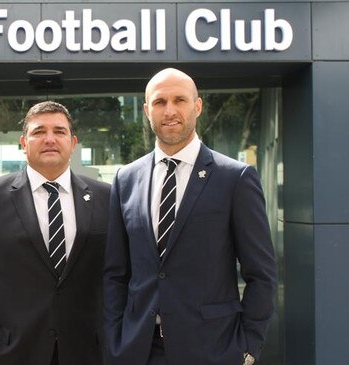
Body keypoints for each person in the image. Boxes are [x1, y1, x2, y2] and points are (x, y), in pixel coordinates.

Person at [103, 68, 277, 365]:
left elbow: (261, 274)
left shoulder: (235, 178)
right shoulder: (126, 179)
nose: (169, 111)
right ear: (147, 110)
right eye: (159, 102)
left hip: (213, 349)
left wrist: (248, 347)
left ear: (197, 106)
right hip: (137, 350)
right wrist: (115, 340)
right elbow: (115, 274)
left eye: (179, 100)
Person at [0, 101, 110, 365]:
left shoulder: (105, 196)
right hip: (10, 353)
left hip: (88, 353)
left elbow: (120, 275)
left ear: (73, 141)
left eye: (59, 131)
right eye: (38, 132)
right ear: (24, 142)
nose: (49, 139)